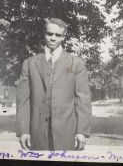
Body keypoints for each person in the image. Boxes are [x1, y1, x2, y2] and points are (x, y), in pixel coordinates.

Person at [16, 18, 92, 151]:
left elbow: (83, 99)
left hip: (67, 134)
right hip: (37, 134)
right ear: (44, 34)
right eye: (49, 34)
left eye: (58, 35)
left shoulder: (76, 63)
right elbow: (23, 101)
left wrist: (81, 131)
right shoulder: (29, 63)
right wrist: (23, 131)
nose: (53, 38)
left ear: (64, 37)